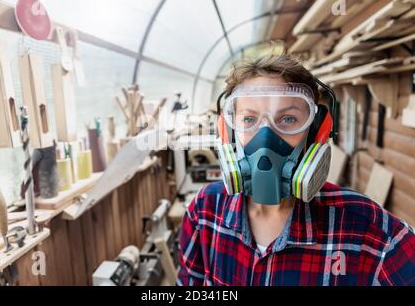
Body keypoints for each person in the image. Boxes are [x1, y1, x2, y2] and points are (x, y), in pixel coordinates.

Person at [177, 54, 415, 286]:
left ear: (315, 132)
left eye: (289, 119)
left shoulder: (372, 234)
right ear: (227, 133)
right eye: (249, 120)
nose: (266, 137)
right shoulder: (204, 213)